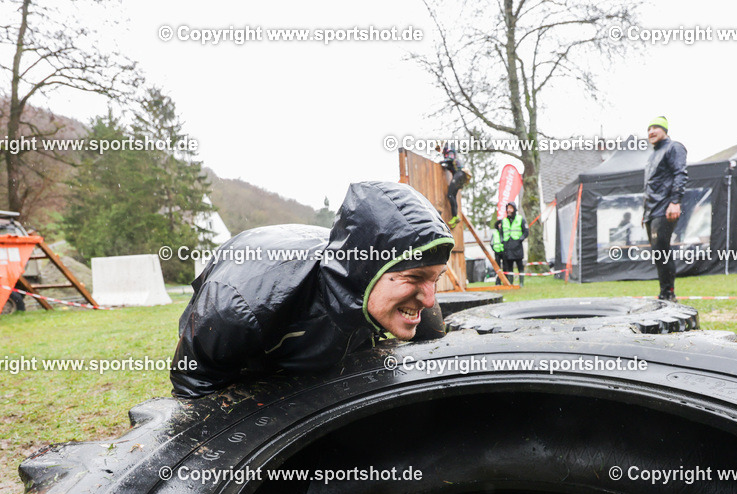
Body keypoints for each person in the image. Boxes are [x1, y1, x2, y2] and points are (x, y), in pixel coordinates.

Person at [170, 181, 454, 399]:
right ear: (363, 271)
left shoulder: (412, 296)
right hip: (249, 292)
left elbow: (435, 346)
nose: (429, 300)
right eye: (414, 277)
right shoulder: (237, 306)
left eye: (436, 278)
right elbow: (193, 386)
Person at [642, 115, 688, 302]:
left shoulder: (673, 147)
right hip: (651, 210)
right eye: (649, 128)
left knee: (662, 250)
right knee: (658, 253)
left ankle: (668, 294)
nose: (651, 131)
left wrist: (675, 201)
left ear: (665, 130)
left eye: (656, 127)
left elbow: (680, 174)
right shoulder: (652, 155)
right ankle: (664, 293)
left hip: (665, 207)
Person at [495, 201, 528, 286]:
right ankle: (510, 283)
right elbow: (501, 233)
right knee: (509, 267)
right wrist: (502, 241)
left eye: (511, 208)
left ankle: (521, 283)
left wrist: (520, 239)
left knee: (520, 265)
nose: (509, 210)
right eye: (508, 208)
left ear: (514, 209)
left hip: (517, 246)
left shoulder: (520, 219)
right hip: (507, 247)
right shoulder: (504, 221)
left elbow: (526, 232)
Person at [439, 144, 471, 226]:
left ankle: (455, 216)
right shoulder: (450, 159)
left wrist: (442, 162)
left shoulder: (450, 151)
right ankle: (455, 216)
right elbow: (449, 165)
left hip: (459, 174)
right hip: (460, 176)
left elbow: (450, 158)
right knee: (452, 195)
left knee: (450, 194)